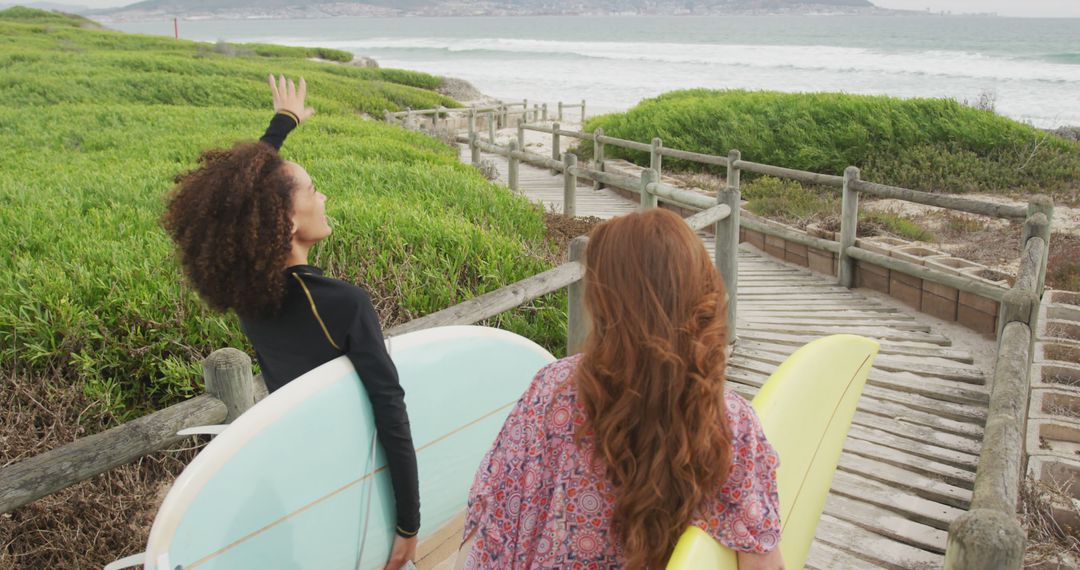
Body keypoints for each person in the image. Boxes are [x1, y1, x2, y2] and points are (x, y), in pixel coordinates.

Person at [162, 75, 419, 570]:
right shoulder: (341, 302)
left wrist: (281, 127)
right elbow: (391, 411)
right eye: (314, 190)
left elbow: (232, 203)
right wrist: (407, 525)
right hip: (352, 472)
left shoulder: (247, 292)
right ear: (287, 219)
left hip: (295, 462)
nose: (324, 198)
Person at [457, 208, 785, 569]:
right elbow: (763, 560)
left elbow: (492, 523)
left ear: (604, 303)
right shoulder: (732, 423)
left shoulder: (552, 392)